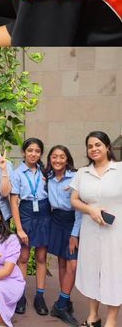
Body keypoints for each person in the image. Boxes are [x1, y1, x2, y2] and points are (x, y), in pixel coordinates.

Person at [70, 131, 122, 327]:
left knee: (115, 272)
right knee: (92, 271)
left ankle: (111, 320)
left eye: (98, 144)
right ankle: (93, 316)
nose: (94, 149)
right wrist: (90, 209)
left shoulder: (120, 169)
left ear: (107, 147)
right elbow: (74, 200)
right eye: (90, 146)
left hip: (117, 232)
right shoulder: (83, 173)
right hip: (91, 231)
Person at [10, 138, 50, 316]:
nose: (33, 154)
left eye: (37, 151)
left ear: (41, 153)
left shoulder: (46, 172)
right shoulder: (17, 173)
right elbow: (13, 203)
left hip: (43, 212)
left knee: (41, 257)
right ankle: (20, 296)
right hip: (25, 213)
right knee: (24, 258)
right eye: (30, 150)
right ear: (24, 152)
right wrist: (19, 228)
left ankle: (40, 296)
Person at [45, 145, 81, 327]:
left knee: (72, 265)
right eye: (54, 157)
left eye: (61, 157)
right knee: (61, 262)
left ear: (67, 159)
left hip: (73, 221)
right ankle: (64, 301)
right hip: (56, 220)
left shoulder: (76, 177)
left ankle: (60, 304)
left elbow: (80, 210)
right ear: (50, 159)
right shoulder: (48, 178)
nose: (57, 160)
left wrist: (75, 234)